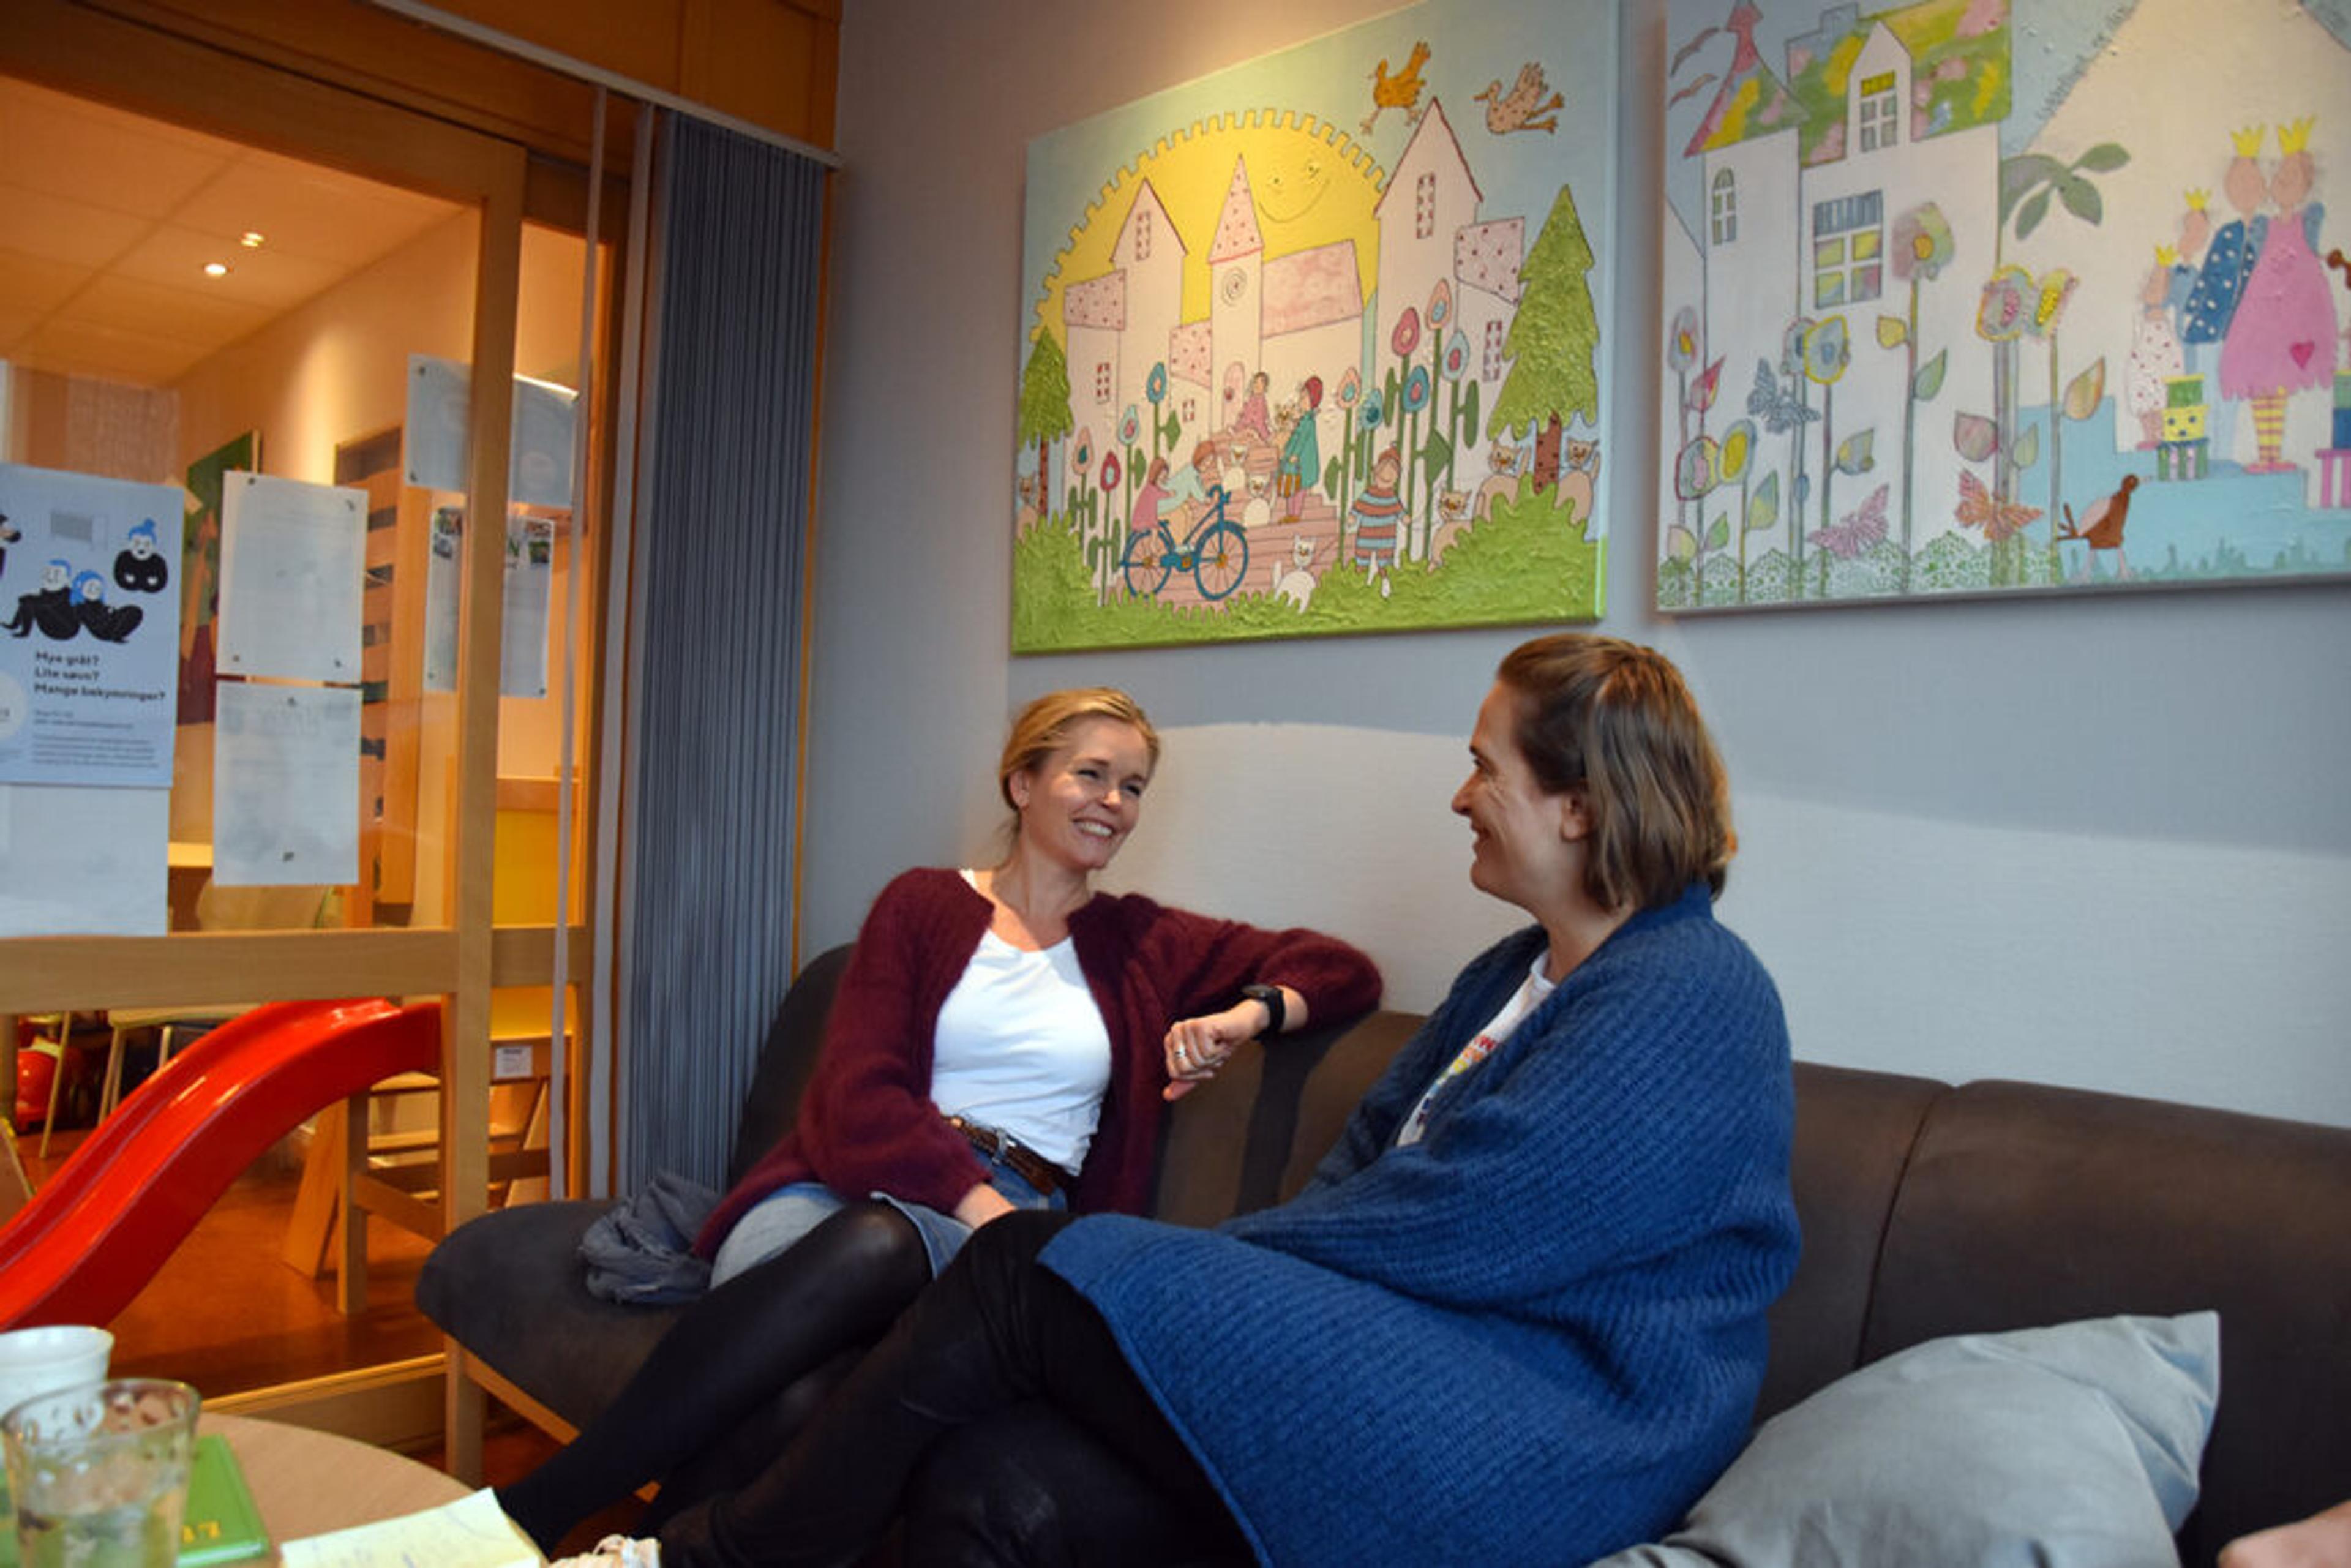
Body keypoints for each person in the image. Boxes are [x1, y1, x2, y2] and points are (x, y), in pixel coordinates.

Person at [555, 634, 1800, 1568]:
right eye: (1088, 774)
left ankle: (693, 1557)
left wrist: (1222, 1248)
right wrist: (1229, 1272)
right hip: (1392, 1347)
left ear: (1580, 805)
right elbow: (1368, 1162)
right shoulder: (1509, 974)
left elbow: (1474, 1222)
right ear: (1023, 781)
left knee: (1021, 1267)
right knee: (993, 1481)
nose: (1461, 795)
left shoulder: (1689, 989)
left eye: (1487, 766)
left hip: (1537, 1426)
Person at [500, 687, 1378, 1556]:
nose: (1114, 801)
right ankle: (557, 1513)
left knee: (819, 1386)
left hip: (1015, 1211)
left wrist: (1249, 1015)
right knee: (872, 1254)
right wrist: (977, 1207)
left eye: (1134, 785)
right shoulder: (920, 905)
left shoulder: (1143, 940)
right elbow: (860, 1093)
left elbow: (1342, 969)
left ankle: (560, 1527)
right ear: (1022, 783)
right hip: (839, 1189)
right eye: (1091, 774)